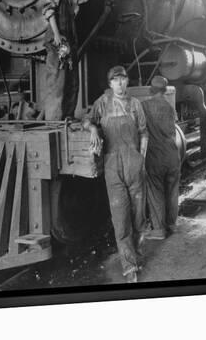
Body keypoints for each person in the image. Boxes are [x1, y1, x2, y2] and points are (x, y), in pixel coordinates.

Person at [83, 66, 148, 283]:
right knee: (121, 220)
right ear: (110, 84)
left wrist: (142, 159)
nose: (120, 84)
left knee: (138, 218)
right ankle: (130, 267)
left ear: (127, 82)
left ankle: (136, 253)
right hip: (113, 167)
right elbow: (87, 120)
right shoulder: (102, 103)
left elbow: (144, 132)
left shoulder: (135, 104)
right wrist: (93, 129)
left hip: (134, 165)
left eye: (123, 79)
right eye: (115, 80)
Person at [42, 0, 89, 120]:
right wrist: (56, 34)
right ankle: (54, 119)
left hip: (70, 42)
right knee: (57, 80)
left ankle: (68, 115)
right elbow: (49, 11)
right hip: (58, 41)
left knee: (72, 80)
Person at [142, 76, 180, 240]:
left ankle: (158, 230)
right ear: (165, 90)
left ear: (151, 90)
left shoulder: (144, 106)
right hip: (173, 155)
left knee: (156, 191)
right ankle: (171, 225)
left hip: (155, 156)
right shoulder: (170, 107)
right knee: (172, 191)